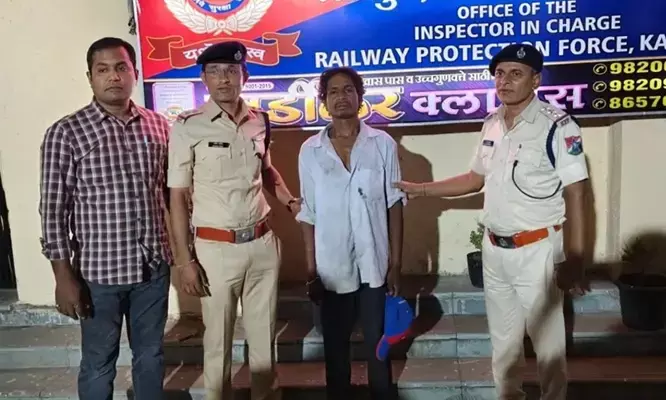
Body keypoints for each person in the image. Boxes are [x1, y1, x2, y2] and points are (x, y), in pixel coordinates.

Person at [394, 44, 589, 400]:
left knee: (548, 349)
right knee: (503, 347)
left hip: (537, 251)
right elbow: (474, 179)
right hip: (494, 251)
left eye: (516, 73)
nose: (505, 81)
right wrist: (421, 190)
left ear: (535, 80)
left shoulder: (557, 125)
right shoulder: (492, 123)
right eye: (499, 73)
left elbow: (577, 192)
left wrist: (574, 258)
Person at [39, 37, 172, 399]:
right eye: (103, 70)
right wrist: (63, 278)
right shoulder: (66, 132)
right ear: (90, 77)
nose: (113, 76)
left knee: (151, 355)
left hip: (153, 268)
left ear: (134, 73)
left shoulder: (159, 126)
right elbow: (53, 211)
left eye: (121, 67)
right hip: (100, 275)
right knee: (99, 361)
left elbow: (169, 195)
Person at [167, 41, 301, 400]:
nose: (223, 79)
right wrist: (185, 261)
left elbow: (266, 171)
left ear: (245, 75)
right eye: (214, 72)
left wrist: (289, 201)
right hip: (215, 250)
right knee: (217, 343)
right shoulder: (187, 126)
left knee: (264, 340)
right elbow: (177, 196)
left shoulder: (260, 120)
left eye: (231, 70)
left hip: (262, 244)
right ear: (204, 79)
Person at [296, 66, 405, 400]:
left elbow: (394, 204)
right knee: (335, 348)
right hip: (331, 267)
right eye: (333, 91)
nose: (341, 97)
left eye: (348, 90)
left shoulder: (382, 144)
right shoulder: (310, 150)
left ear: (360, 97)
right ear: (323, 100)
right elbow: (308, 213)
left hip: (374, 263)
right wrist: (312, 270)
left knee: (378, 345)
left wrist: (395, 264)